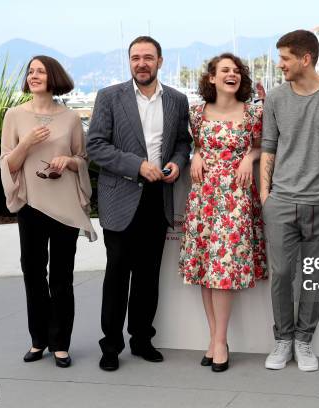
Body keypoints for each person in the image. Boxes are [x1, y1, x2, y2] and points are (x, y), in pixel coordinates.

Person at [86, 36, 192, 371]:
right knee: (117, 275)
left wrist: (177, 161)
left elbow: (181, 142)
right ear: (129, 62)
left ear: (160, 61)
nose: (141, 63)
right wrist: (137, 165)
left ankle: (142, 339)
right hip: (121, 198)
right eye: (135, 58)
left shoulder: (177, 99)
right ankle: (111, 346)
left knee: (148, 277)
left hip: (157, 199)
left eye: (148, 57)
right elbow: (96, 146)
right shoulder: (109, 97)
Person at [261, 29, 319, 372]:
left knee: (313, 276)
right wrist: (265, 195)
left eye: (285, 58)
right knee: (282, 273)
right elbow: (268, 146)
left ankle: (304, 341)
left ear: (306, 58)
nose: (280, 64)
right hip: (281, 201)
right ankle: (283, 339)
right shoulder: (275, 97)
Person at [0, 55, 97, 368]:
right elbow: (8, 165)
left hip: (64, 206)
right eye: (30, 71)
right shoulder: (14, 115)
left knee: (62, 276)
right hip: (30, 206)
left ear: (53, 77)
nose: (34, 75)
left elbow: (82, 159)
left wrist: (67, 162)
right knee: (33, 273)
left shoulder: (69, 118)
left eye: (40, 71)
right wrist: (26, 143)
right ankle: (38, 340)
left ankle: (60, 344)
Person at [179, 53, 267, 373]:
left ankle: (219, 341)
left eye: (236, 71)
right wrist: (197, 153)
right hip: (204, 198)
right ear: (212, 78)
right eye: (224, 70)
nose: (232, 74)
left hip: (236, 199)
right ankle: (217, 339)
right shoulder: (197, 113)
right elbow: (198, 144)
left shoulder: (253, 112)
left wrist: (249, 158)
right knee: (206, 269)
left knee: (224, 270)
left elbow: (262, 145)